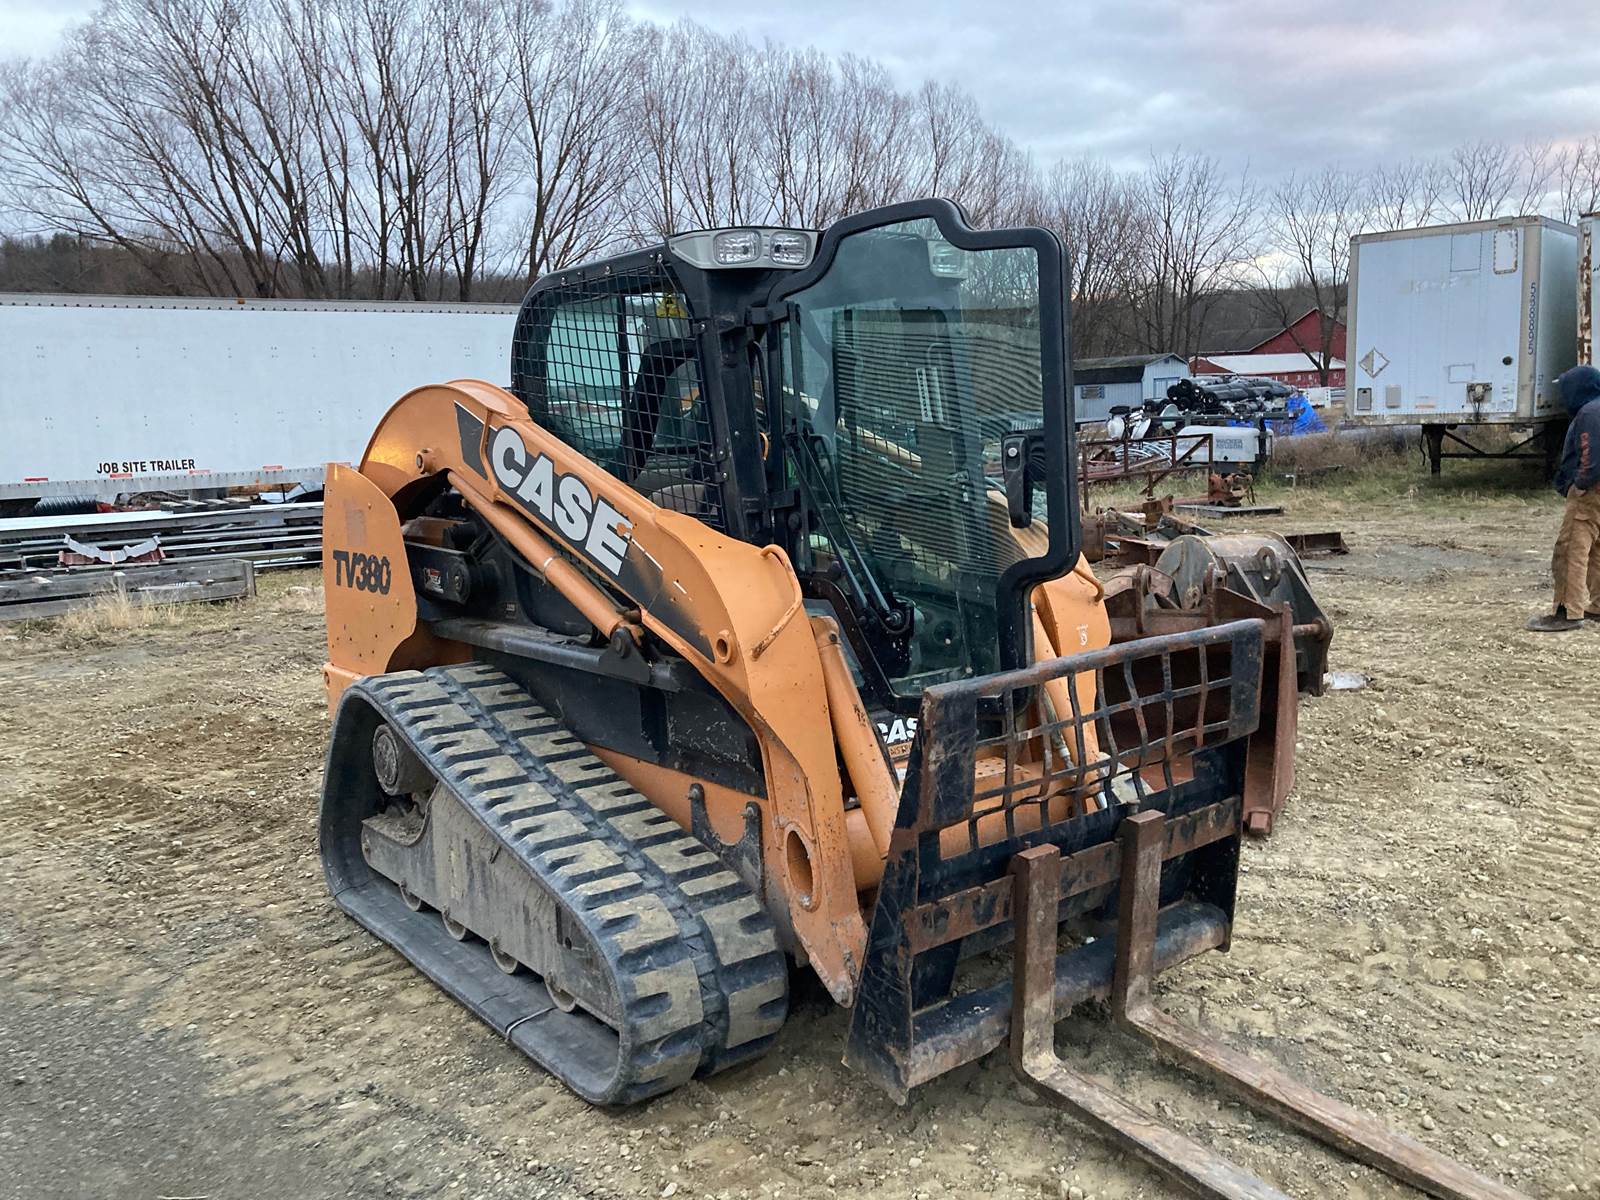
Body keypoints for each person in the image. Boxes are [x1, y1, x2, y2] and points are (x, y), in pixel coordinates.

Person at [1527, 364, 1600, 632]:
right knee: (1595, 550)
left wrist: (1581, 483)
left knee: (1570, 549)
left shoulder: (1590, 412)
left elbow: (1591, 454)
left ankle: (1567, 612)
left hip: (1590, 492)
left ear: (1578, 387)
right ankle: (1598, 605)